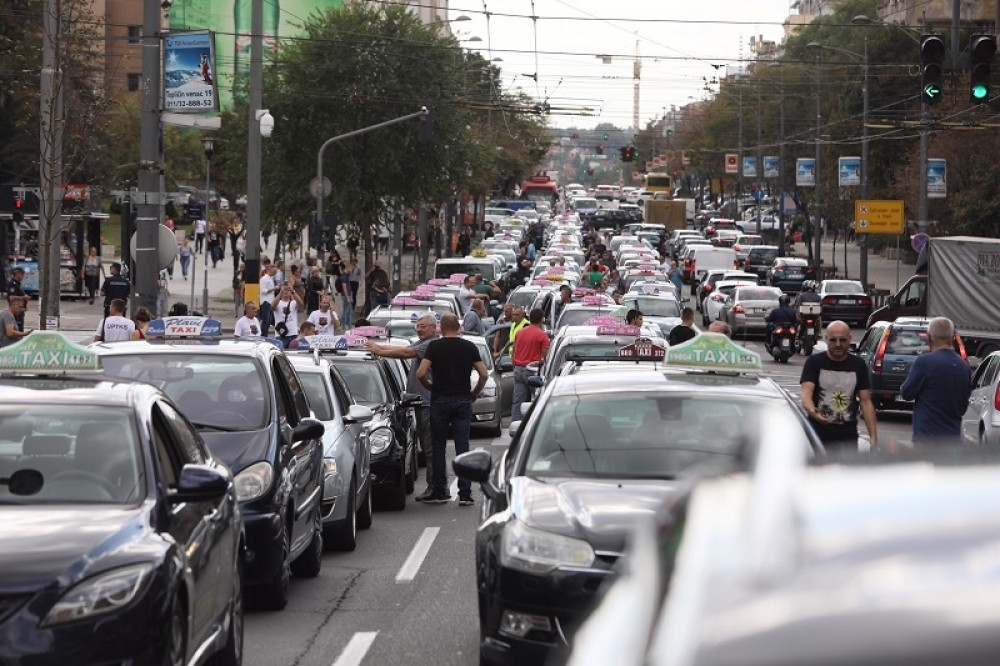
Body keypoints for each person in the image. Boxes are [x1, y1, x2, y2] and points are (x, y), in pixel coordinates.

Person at [417, 314, 488, 505]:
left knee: (438, 447)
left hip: (439, 400)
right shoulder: (469, 347)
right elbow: (483, 374)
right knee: (462, 447)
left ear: (440, 328)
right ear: (458, 327)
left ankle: (440, 490)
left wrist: (430, 385)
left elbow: (421, 373)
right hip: (462, 400)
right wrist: (474, 392)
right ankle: (465, 493)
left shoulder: (434, 347)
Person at [366, 314, 439, 500]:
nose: (419, 329)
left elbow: (405, 354)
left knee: (430, 448)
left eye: (423, 326)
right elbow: (404, 349)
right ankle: (437, 486)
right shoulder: (422, 343)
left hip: (427, 403)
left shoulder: (430, 345)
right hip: (420, 402)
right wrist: (378, 348)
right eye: (418, 326)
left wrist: (380, 351)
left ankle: (436, 487)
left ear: (434, 328)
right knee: (428, 447)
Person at [800, 320, 879, 451]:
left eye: (842, 340)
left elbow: (866, 402)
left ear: (850, 339)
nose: (838, 345)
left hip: (847, 436)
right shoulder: (814, 362)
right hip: (817, 434)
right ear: (825, 339)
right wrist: (814, 413)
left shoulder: (858, 365)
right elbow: (806, 394)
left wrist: (873, 438)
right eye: (833, 340)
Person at [899, 317, 971, 446]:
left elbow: (906, 393)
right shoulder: (964, 366)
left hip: (926, 438)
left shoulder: (924, 363)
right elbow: (963, 407)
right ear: (953, 337)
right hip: (952, 439)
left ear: (929, 337)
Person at [511, 308, 550, 422]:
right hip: (532, 371)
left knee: (518, 401)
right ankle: (535, 426)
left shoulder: (519, 333)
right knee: (538, 400)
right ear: (541, 320)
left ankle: (516, 427)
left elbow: (514, 351)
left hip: (518, 369)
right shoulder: (542, 335)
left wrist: (515, 365)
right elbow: (546, 356)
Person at [273, 284, 304, 348]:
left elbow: (301, 303)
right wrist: (280, 292)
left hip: (293, 334)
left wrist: (293, 292)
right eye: (284, 290)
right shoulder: (278, 303)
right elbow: (272, 306)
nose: (286, 292)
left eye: (288, 290)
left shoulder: (293, 303)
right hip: (280, 335)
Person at [258, 262, 279, 335]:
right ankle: (263, 334)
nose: (275, 273)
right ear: (269, 270)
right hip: (265, 302)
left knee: (268, 321)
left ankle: (264, 333)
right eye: (274, 271)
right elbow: (263, 291)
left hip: (270, 301)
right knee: (265, 320)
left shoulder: (270, 279)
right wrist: (274, 288)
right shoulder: (264, 279)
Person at [6, 267, 27, 331]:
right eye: (22, 273)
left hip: (19, 311)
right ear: (17, 274)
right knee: (17, 331)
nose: (23, 275)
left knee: (20, 330)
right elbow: (11, 297)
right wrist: (24, 297)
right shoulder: (13, 284)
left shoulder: (17, 284)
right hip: (16, 311)